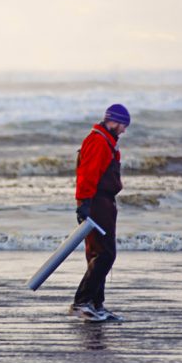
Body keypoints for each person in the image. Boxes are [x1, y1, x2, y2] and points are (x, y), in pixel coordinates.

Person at [71, 104, 130, 322]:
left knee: (98, 254)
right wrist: (84, 203)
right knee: (105, 254)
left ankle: (96, 305)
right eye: (123, 125)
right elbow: (88, 174)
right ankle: (81, 302)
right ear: (113, 121)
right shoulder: (98, 142)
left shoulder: (107, 141)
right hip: (95, 202)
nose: (124, 130)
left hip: (102, 202)